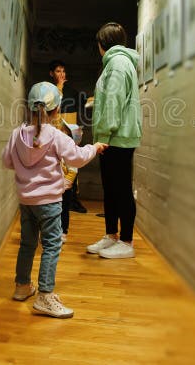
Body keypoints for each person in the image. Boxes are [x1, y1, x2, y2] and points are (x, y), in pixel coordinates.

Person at [2, 81, 107, 318]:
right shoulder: (56, 136)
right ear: (57, 110)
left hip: (26, 202)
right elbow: (78, 158)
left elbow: (7, 161)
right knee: (51, 246)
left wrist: (25, 171)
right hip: (49, 202)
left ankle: (22, 286)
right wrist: (94, 147)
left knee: (28, 244)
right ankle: (45, 296)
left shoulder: (16, 134)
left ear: (28, 107)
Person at [87, 22, 142, 259]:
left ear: (102, 44)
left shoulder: (117, 64)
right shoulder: (117, 62)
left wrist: (103, 137)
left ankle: (127, 242)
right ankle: (111, 236)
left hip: (116, 137)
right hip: (115, 136)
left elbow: (113, 103)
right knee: (110, 188)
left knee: (120, 190)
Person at [48, 59, 89, 214]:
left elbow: (85, 103)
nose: (62, 74)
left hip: (69, 133)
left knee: (72, 167)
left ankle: (72, 200)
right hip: (53, 134)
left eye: (63, 71)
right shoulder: (48, 90)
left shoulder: (72, 91)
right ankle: (55, 200)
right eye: (58, 71)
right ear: (51, 73)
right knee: (56, 166)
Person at [58, 119, 83, 243]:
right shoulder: (60, 149)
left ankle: (63, 231)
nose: (61, 132)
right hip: (56, 186)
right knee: (55, 210)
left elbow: (73, 171)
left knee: (63, 210)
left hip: (65, 188)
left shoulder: (71, 153)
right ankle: (53, 231)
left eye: (64, 132)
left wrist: (64, 186)